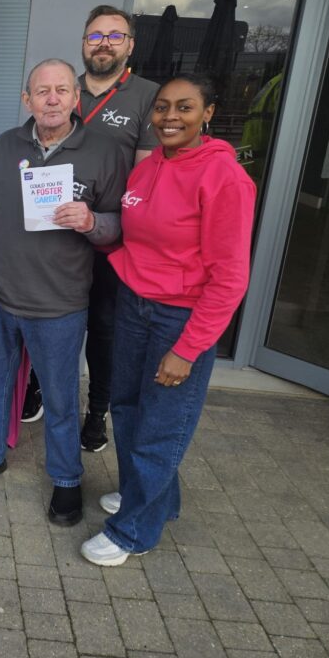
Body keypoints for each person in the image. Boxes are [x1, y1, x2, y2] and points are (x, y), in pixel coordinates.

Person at [81, 74, 255, 566]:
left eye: (184, 107)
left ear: (208, 113)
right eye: (161, 108)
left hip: (178, 317)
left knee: (161, 424)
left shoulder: (224, 178)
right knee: (127, 407)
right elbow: (136, 238)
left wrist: (188, 347)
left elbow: (229, 278)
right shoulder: (150, 166)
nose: (170, 117)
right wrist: (86, 226)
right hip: (134, 304)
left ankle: (133, 530)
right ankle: (155, 498)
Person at [0, 59, 125, 527]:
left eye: (61, 90)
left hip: (59, 305)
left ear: (75, 98)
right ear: (27, 99)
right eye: (42, 91)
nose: (52, 99)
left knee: (61, 397)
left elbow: (119, 225)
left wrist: (91, 221)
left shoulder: (103, 151)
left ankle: (67, 478)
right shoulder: (6, 144)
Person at [20, 5, 160, 454]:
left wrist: (104, 223)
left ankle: (96, 411)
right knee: (46, 317)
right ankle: (37, 387)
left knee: (102, 328)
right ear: (83, 43)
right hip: (52, 233)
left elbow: (145, 179)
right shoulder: (63, 87)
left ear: (130, 45)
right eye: (95, 36)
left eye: (115, 36)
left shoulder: (146, 96)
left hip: (108, 238)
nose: (104, 44)